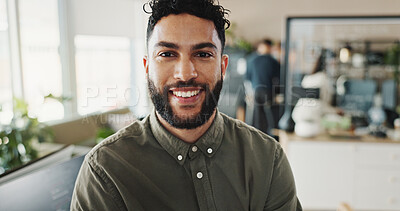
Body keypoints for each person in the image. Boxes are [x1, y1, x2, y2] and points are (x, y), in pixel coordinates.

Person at [71, 0, 301, 210]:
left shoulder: (267, 159)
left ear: (223, 66)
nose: (185, 73)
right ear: (147, 67)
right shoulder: (106, 171)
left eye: (202, 54)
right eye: (167, 53)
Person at [246, 39, 281, 135]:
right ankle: (269, 136)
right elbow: (278, 78)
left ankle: (257, 136)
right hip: (268, 91)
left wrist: (249, 93)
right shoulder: (273, 61)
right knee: (269, 115)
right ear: (269, 47)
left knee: (257, 116)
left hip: (256, 91)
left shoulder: (251, 60)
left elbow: (247, 78)